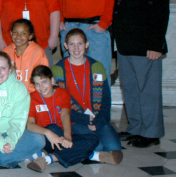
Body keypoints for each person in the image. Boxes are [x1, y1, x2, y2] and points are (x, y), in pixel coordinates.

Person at [112, 0, 171, 148]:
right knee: (130, 89)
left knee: (148, 91)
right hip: (125, 46)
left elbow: (160, 13)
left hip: (146, 47)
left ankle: (151, 132)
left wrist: (157, 45)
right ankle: (135, 127)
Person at [52, 29, 123, 163]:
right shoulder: (58, 70)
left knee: (114, 148)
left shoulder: (97, 66)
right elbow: (59, 106)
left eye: (80, 44)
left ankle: (83, 149)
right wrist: (85, 119)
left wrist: (100, 120)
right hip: (75, 119)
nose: (76, 48)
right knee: (99, 146)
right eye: (72, 44)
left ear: (87, 45)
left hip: (97, 118)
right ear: (65, 46)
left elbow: (106, 99)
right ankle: (83, 151)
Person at [25, 66, 100, 173]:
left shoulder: (63, 93)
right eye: (37, 84)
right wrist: (48, 132)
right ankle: (90, 154)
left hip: (62, 133)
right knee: (53, 128)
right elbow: (30, 125)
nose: (41, 87)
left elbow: (65, 114)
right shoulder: (32, 98)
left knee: (93, 139)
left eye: (44, 82)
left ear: (52, 80)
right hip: (47, 138)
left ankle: (49, 159)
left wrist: (67, 136)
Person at [2, 18, 48, 93]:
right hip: (10, 95)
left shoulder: (38, 53)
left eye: (23, 33)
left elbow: (42, 79)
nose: (18, 36)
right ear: (11, 33)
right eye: (15, 32)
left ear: (30, 36)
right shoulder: (5, 52)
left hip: (31, 95)